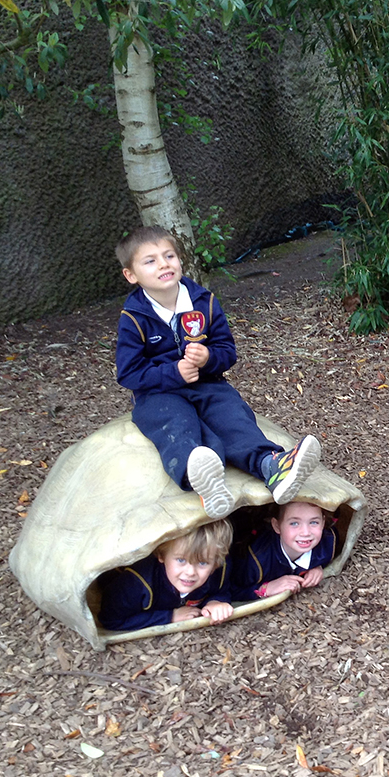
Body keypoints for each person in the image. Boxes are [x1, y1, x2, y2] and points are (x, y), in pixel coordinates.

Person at [115, 226, 321, 518]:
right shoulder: (134, 317)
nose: (163, 264)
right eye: (150, 261)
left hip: (206, 383)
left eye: (169, 255)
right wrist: (173, 373)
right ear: (131, 275)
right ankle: (201, 480)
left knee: (231, 416)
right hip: (158, 393)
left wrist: (209, 357)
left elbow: (227, 351)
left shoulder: (204, 302)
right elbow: (128, 372)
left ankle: (271, 466)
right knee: (177, 425)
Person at [99, 519, 234, 631]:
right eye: (181, 560)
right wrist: (170, 616)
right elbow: (111, 620)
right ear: (161, 555)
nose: (190, 572)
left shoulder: (218, 572)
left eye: (203, 563)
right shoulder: (138, 583)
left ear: (216, 563)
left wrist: (215, 602)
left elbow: (221, 590)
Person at [230, 501, 337, 600]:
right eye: (294, 523)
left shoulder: (328, 543)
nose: (306, 532)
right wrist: (265, 589)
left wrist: (318, 566)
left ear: (323, 523)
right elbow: (231, 590)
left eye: (314, 522)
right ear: (277, 526)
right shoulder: (256, 560)